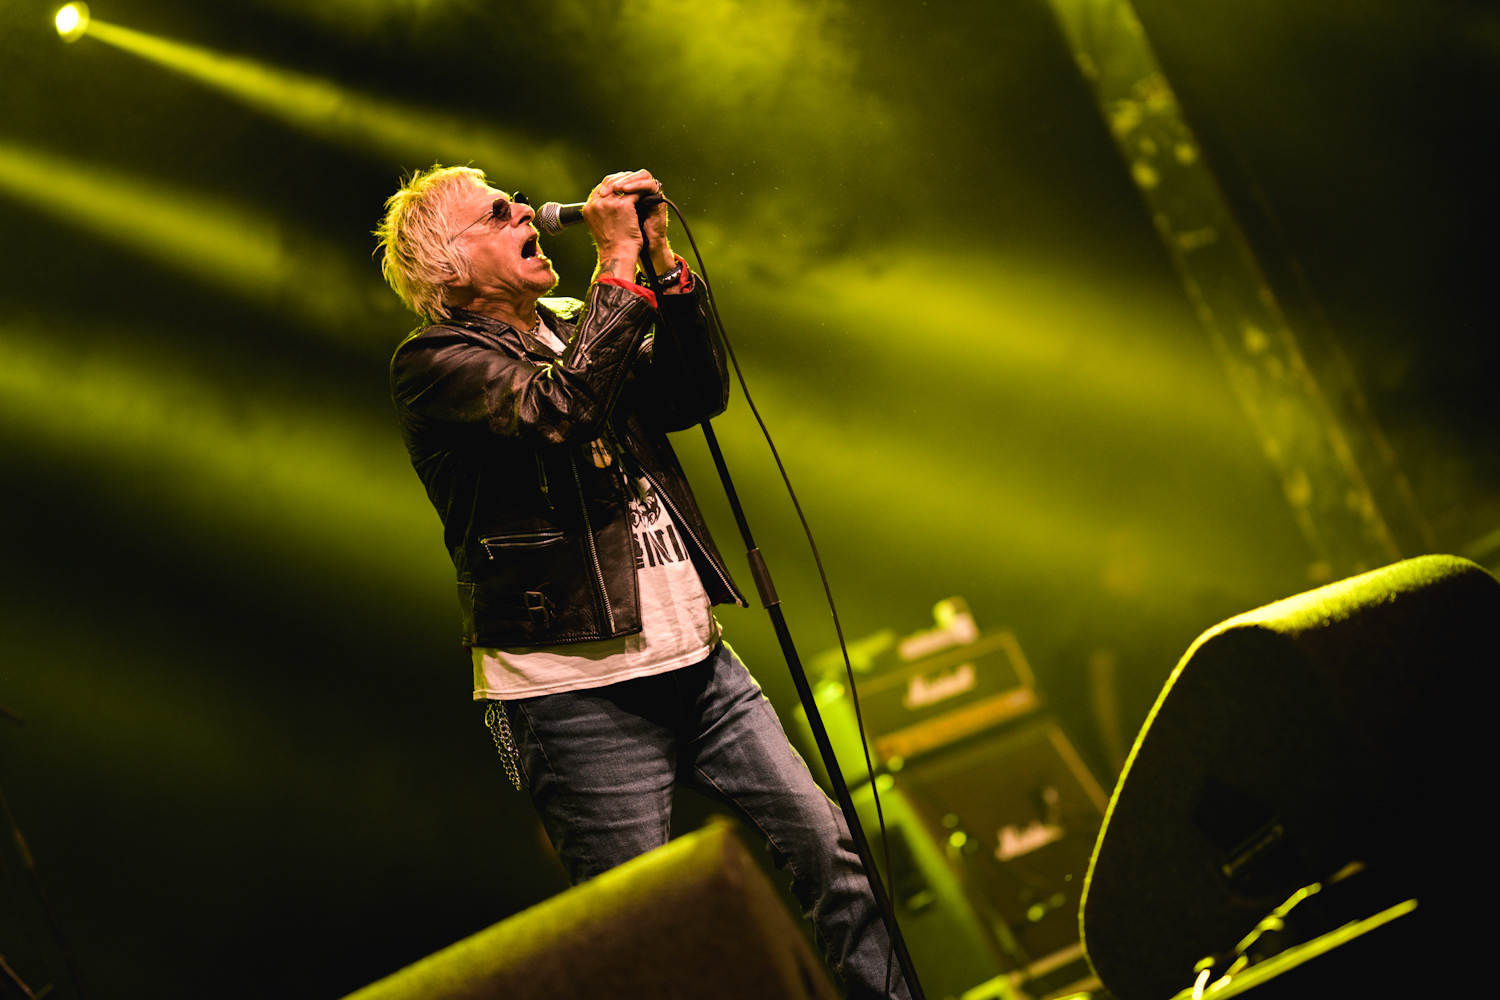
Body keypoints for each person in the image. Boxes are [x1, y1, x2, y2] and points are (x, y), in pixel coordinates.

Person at [375, 164, 910, 999]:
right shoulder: (436, 363)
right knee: (656, 944)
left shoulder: (575, 325)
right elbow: (559, 413)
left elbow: (695, 393)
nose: (526, 210)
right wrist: (616, 264)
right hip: (576, 696)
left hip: (697, 662)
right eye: (498, 212)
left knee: (830, 851)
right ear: (450, 265)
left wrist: (662, 266)